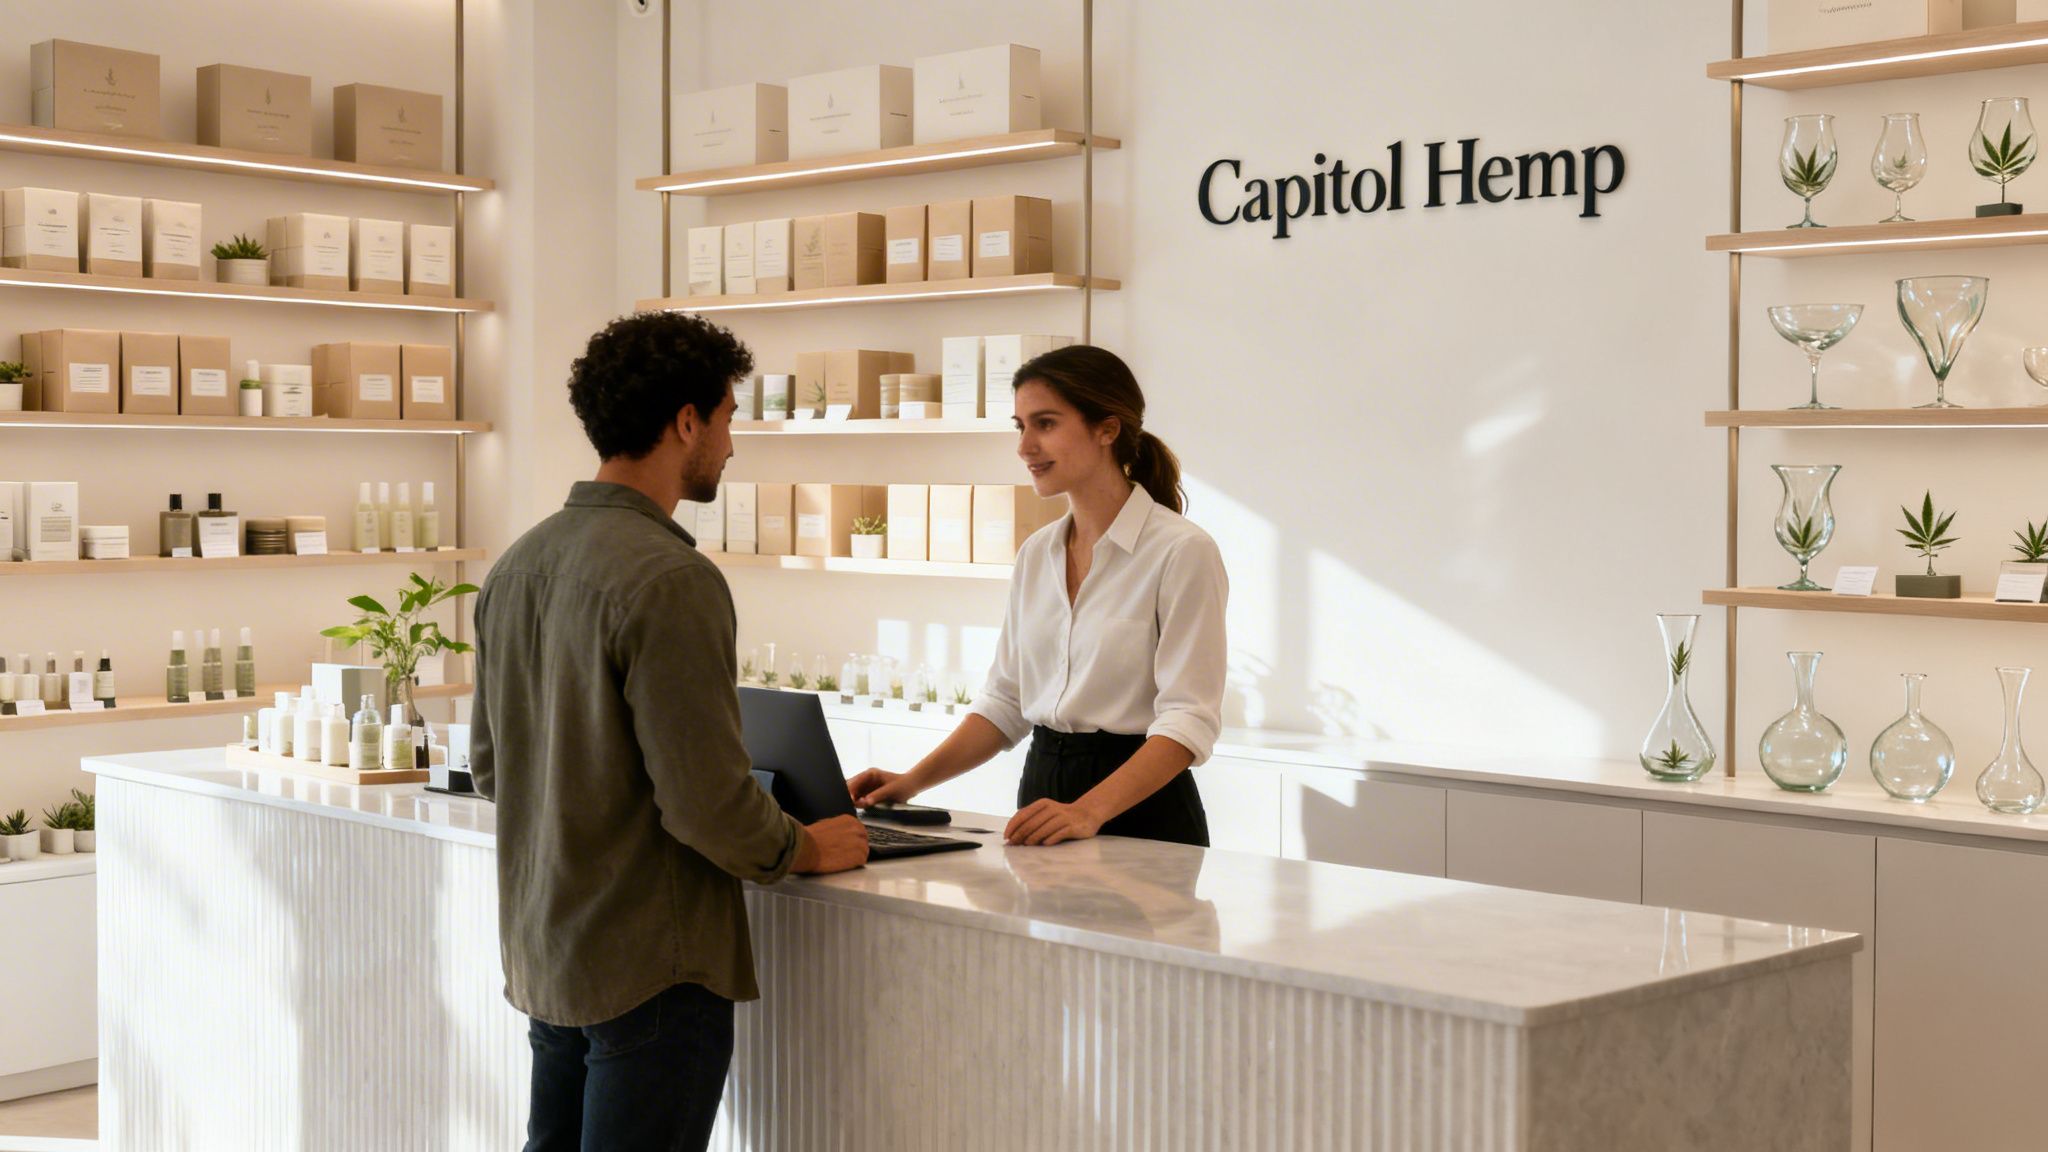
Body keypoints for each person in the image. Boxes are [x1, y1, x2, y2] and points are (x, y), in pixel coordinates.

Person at [469, 311, 869, 1152]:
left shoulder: (516, 566)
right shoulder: (672, 579)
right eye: (727, 418)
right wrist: (806, 846)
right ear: (686, 420)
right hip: (656, 968)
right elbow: (705, 805)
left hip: (550, 955)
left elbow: (492, 769)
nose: (731, 443)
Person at [848, 344, 1228, 847]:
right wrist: (908, 783)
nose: (1025, 446)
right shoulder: (1037, 554)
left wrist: (1088, 811)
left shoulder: (1182, 551)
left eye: (1045, 424)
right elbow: (1007, 701)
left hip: (1140, 807)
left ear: (1107, 430)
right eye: (1020, 426)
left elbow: (1189, 720)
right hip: (1044, 796)